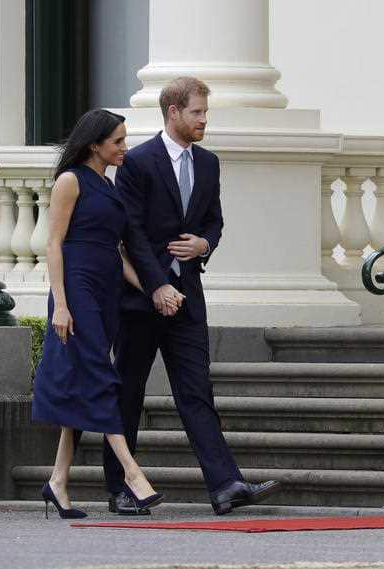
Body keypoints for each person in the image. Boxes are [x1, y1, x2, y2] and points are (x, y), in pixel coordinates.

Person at [102, 76, 281, 515]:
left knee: (197, 391)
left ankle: (225, 487)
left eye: (205, 112)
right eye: (197, 112)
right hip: (141, 299)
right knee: (128, 391)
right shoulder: (138, 162)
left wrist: (205, 244)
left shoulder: (210, 162)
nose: (204, 120)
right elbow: (133, 234)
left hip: (187, 296)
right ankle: (122, 489)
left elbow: (214, 222)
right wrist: (156, 285)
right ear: (173, 113)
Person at [31, 109, 166, 518]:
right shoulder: (70, 180)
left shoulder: (108, 185)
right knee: (101, 374)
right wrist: (62, 304)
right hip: (77, 289)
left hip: (106, 291)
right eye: (118, 141)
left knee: (84, 379)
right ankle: (132, 472)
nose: (125, 148)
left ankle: (57, 482)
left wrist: (153, 288)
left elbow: (117, 251)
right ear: (95, 144)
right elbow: (53, 244)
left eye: (125, 140)